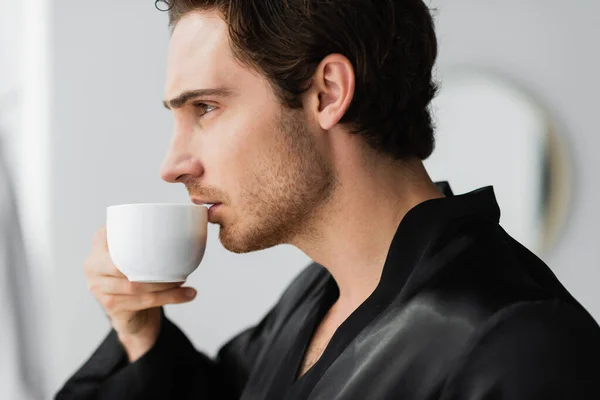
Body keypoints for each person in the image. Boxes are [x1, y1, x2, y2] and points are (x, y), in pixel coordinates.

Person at [55, 0, 600, 399]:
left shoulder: (518, 347)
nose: (172, 165)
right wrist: (139, 327)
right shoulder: (315, 297)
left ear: (327, 93)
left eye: (205, 108)